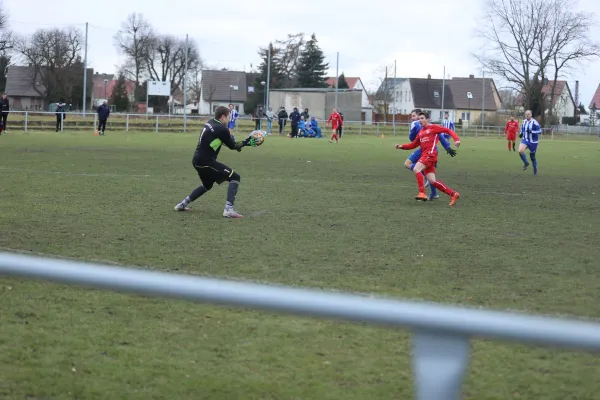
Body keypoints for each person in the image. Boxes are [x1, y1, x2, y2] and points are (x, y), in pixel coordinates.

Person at [174, 106, 259, 217]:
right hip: (206, 162)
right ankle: (228, 209)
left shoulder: (210, 123)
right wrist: (248, 142)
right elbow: (232, 145)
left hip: (197, 160)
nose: (229, 119)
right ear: (223, 117)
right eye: (228, 116)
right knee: (235, 177)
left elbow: (221, 142)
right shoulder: (222, 129)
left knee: (207, 184)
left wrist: (240, 145)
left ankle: (182, 204)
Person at [395, 111, 461, 206]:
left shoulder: (434, 127)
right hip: (425, 156)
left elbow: (448, 131)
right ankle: (453, 194)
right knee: (432, 181)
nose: (420, 120)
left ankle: (422, 193)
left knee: (417, 168)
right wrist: (401, 146)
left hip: (430, 155)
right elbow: (413, 144)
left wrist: (456, 139)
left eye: (422, 118)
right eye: (419, 119)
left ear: (428, 119)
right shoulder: (421, 132)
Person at [519, 110, 541, 175]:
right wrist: (521, 133)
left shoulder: (534, 122)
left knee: (532, 157)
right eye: (526, 114)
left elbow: (539, 131)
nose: (527, 115)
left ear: (531, 115)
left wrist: (532, 132)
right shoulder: (524, 122)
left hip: (533, 142)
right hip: (525, 139)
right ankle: (526, 163)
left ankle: (535, 169)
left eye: (528, 114)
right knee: (520, 151)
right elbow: (522, 129)